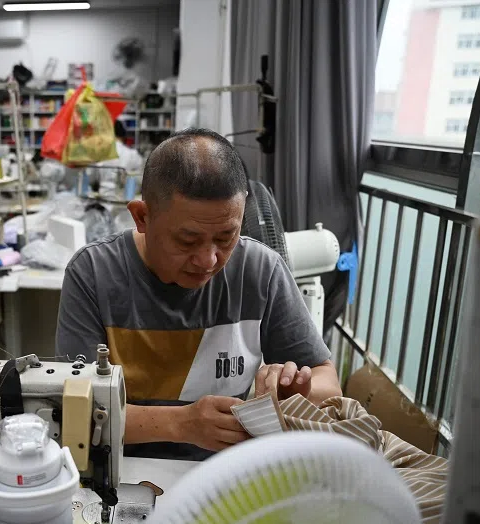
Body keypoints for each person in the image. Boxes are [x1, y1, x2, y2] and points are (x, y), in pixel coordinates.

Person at [56, 128, 342, 461]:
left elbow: (328, 384)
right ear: (142, 217)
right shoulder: (93, 274)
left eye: (226, 237)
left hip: (221, 475)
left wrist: (298, 392)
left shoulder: (260, 271)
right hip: (123, 470)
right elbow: (74, 408)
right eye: (187, 241)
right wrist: (180, 424)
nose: (208, 260)